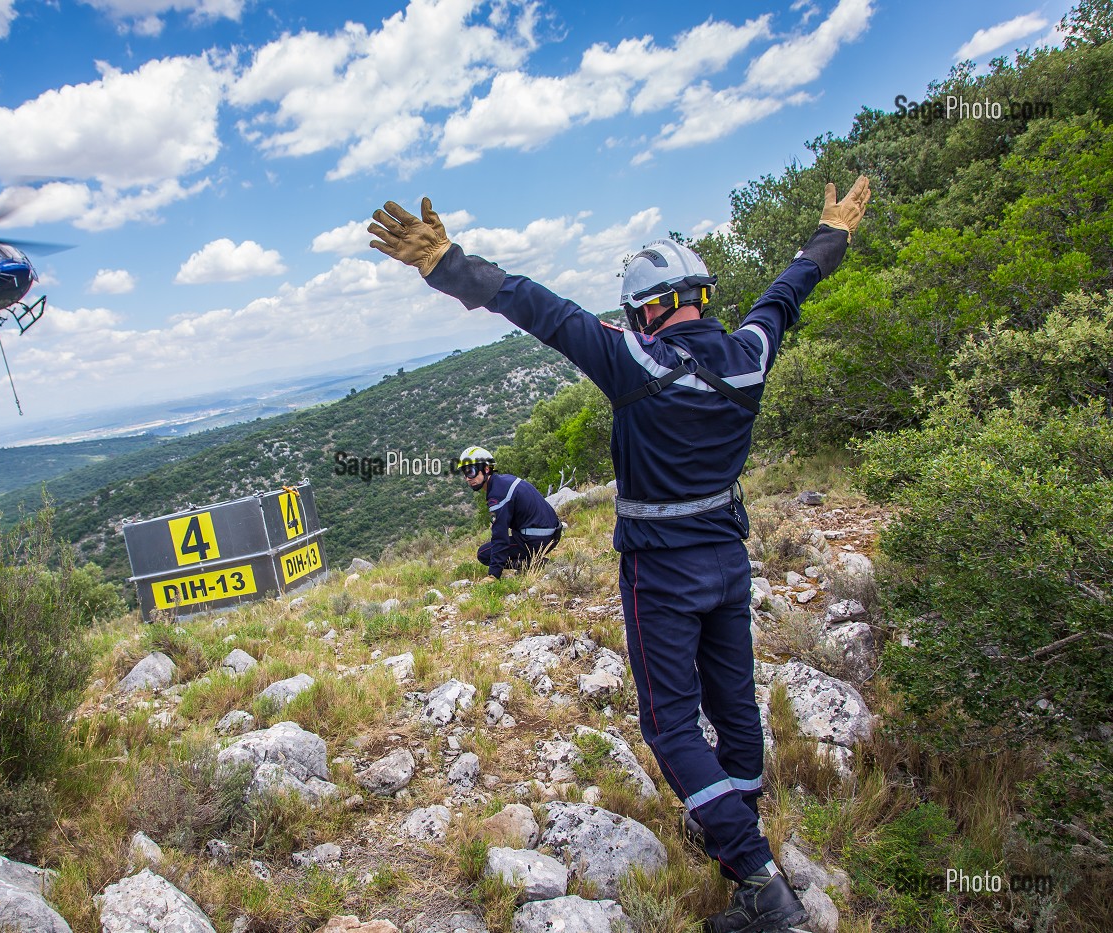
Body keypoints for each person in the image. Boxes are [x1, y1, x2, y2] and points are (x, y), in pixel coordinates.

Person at [370, 177, 870, 933]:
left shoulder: (639, 364)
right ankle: (736, 819)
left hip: (661, 573)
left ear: (653, 309)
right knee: (734, 704)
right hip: (728, 564)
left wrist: (447, 263)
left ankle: (759, 880)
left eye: (638, 310)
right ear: (699, 294)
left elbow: (542, 310)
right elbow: (787, 291)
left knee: (671, 726)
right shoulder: (749, 356)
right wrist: (829, 236)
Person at [455, 445, 563, 580]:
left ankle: (531, 564)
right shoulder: (504, 481)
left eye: (471, 472)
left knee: (484, 553)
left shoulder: (497, 496)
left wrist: (493, 575)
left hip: (538, 540)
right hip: (552, 534)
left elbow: (500, 537)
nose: (467, 478)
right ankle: (531, 561)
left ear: (486, 469)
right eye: (465, 473)